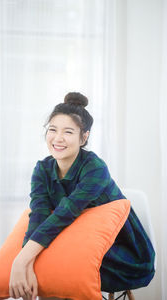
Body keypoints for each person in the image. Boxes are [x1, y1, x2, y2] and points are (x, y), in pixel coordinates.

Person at [9, 92, 155, 300]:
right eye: (52, 130)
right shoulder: (42, 169)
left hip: (119, 250)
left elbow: (65, 213)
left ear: (83, 137)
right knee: (42, 263)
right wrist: (24, 259)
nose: (57, 138)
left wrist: (20, 260)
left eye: (68, 132)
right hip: (72, 240)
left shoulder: (95, 168)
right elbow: (39, 215)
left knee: (54, 267)